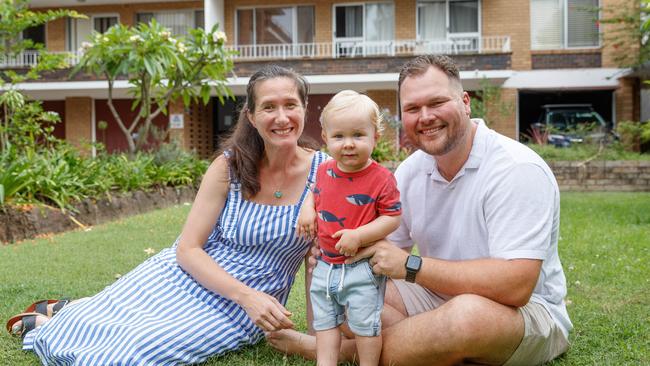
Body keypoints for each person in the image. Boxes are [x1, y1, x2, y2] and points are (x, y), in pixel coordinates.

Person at [5, 65, 328, 365]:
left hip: (248, 307)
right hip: (187, 275)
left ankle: (63, 314)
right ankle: (66, 315)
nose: (281, 117)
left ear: (304, 108)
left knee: (133, 352)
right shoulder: (229, 166)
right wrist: (244, 295)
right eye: (269, 107)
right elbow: (188, 249)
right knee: (101, 323)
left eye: (290, 104)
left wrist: (316, 335)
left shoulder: (326, 173)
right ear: (252, 116)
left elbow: (320, 259)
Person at [268, 54, 572, 366]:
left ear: (465, 102)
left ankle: (340, 353)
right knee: (350, 292)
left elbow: (516, 286)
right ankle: (429, 345)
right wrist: (342, 250)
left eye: (437, 102)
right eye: (413, 108)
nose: (425, 116)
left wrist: (411, 266)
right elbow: (384, 253)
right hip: (434, 295)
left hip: (524, 311)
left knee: (466, 318)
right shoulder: (412, 170)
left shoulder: (515, 168)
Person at [296, 90, 401, 366]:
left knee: (366, 325)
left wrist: (359, 235)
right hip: (325, 266)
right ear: (326, 138)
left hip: (360, 268)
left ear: (375, 136)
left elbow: (392, 218)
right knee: (326, 322)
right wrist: (308, 209)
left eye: (358, 135)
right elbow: (314, 192)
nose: (348, 144)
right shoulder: (323, 170)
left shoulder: (381, 178)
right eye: (339, 136)